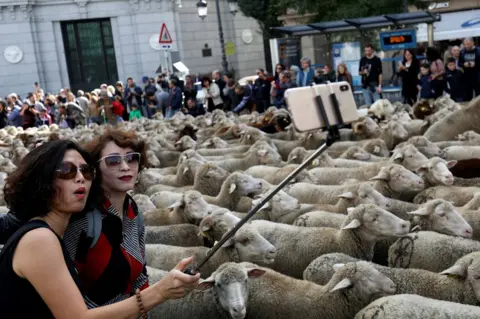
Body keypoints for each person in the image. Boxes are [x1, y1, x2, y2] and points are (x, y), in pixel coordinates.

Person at [0, 139, 200, 318]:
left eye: (85, 171)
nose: (80, 178)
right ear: (42, 180)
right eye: (66, 170)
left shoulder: (131, 213)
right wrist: (160, 292)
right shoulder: (40, 238)